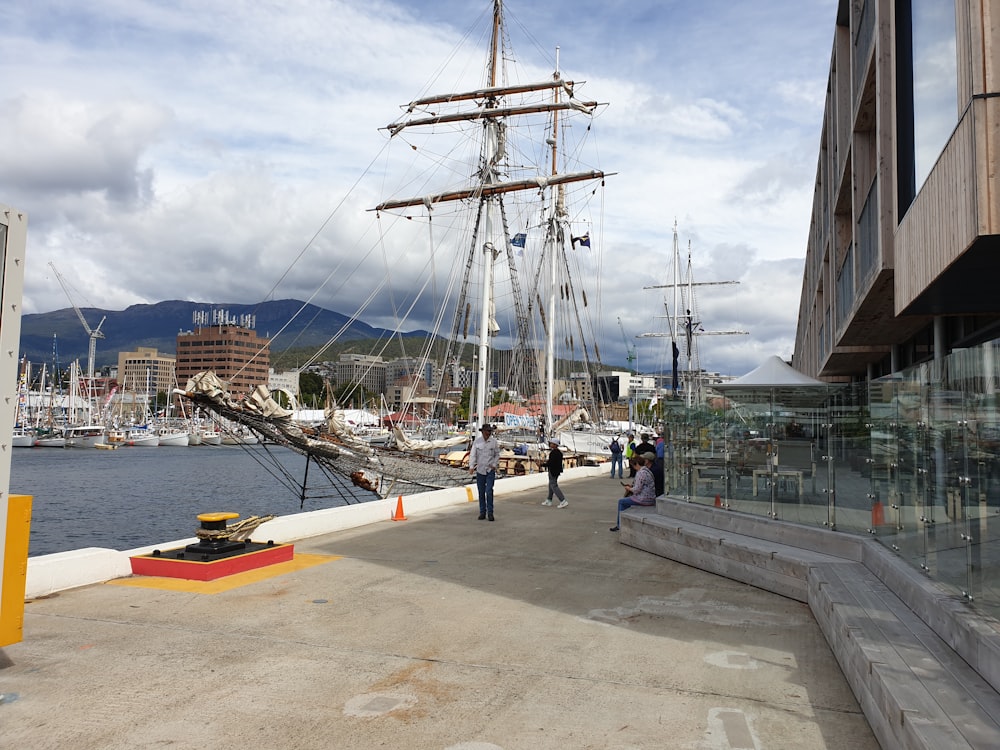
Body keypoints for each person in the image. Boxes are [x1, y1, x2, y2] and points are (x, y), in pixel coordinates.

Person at [610, 452, 657, 531]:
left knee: (622, 502)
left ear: (637, 464)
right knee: (626, 501)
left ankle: (619, 525)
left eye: (634, 466)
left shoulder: (641, 473)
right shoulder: (648, 471)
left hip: (644, 499)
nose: (634, 468)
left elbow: (636, 490)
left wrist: (628, 488)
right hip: (651, 497)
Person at [469, 424, 500, 521]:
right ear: (482, 432)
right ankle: (482, 512)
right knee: (481, 492)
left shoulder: (493, 442)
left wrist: (494, 464)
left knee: (489, 491)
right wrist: (471, 466)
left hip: (490, 470)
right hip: (480, 470)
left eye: (489, 432)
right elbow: (473, 455)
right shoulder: (477, 442)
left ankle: (490, 512)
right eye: (486, 432)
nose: (488, 434)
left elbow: (497, 455)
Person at [541, 439, 568, 508]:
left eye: (551, 443)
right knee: (551, 485)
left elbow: (550, 463)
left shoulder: (554, 453)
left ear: (555, 445)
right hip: (556, 471)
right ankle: (549, 500)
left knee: (554, 486)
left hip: (553, 471)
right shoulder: (559, 453)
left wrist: (542, 465)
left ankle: (563, 500)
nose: (550, 444)